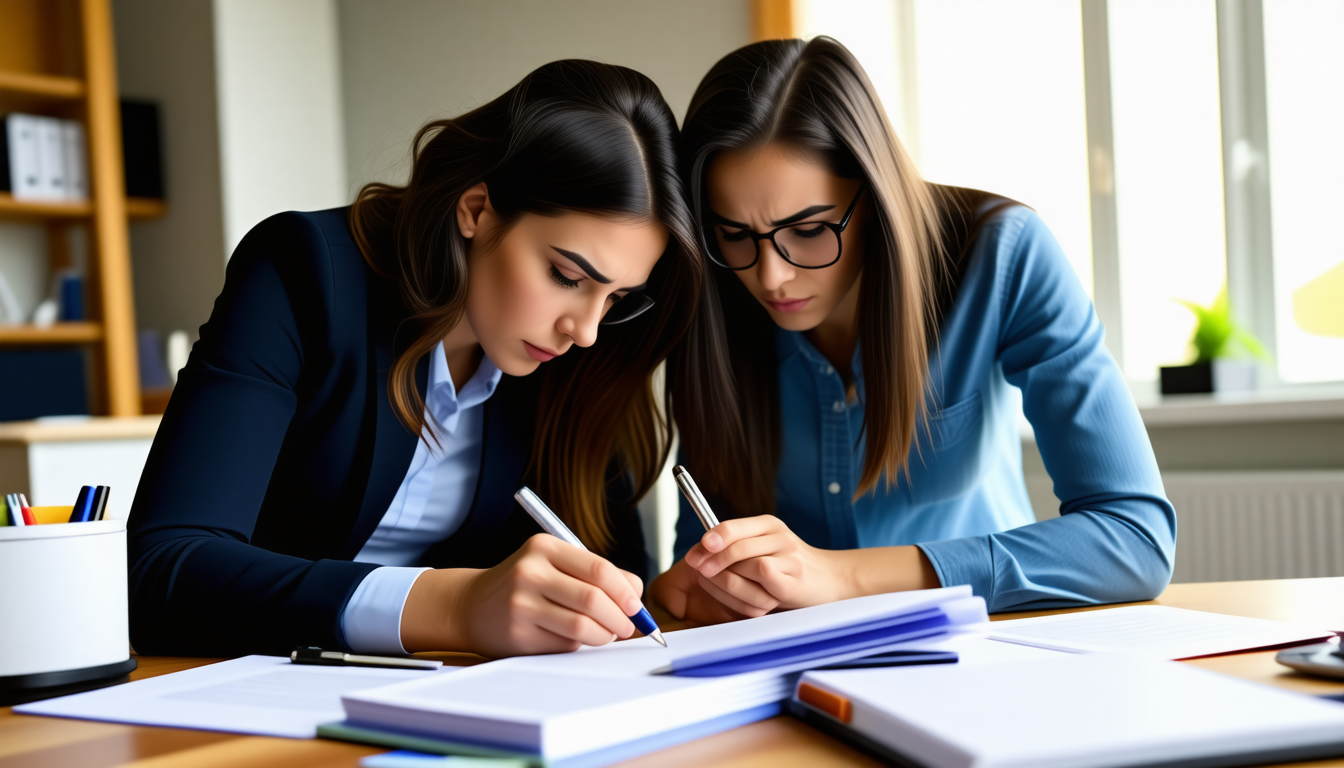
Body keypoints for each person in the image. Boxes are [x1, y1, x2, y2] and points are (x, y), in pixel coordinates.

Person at [128, 60, 702, 658]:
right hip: (244, 693)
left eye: (616, 298)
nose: (585, 330)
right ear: (477, 209)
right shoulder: (303, 272)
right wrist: (454, 607)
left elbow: (614, 583)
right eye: (565, 275)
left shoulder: (569, 358)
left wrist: (668, 598)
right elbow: (161, 569)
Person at [654, 38, 1175, 624]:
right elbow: (697, 560)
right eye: (735, 233)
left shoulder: (1003, 253)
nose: (770, 275)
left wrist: (841, 577)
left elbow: (1135, 541)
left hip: (989, 646)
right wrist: (692, 588)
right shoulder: (716, 295)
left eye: (808, 229)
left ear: (873, 198)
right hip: (790, 668)